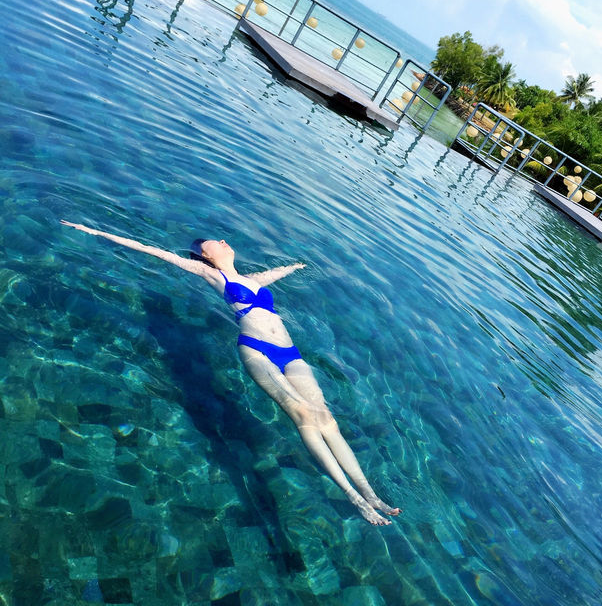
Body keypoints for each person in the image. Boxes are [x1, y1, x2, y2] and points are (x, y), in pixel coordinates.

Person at [61, 221, 401, 525]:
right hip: (257, 350)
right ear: (205, 257)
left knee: (326, 417)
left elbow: (278, 273)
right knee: (303, 416)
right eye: (213, 243)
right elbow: (154, 251)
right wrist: (95, 230)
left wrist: (298, 265)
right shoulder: (213, 275)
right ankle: (354, 498)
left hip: (290, 352)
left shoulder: (251, 280)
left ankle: (370, 494)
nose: (223, 241)